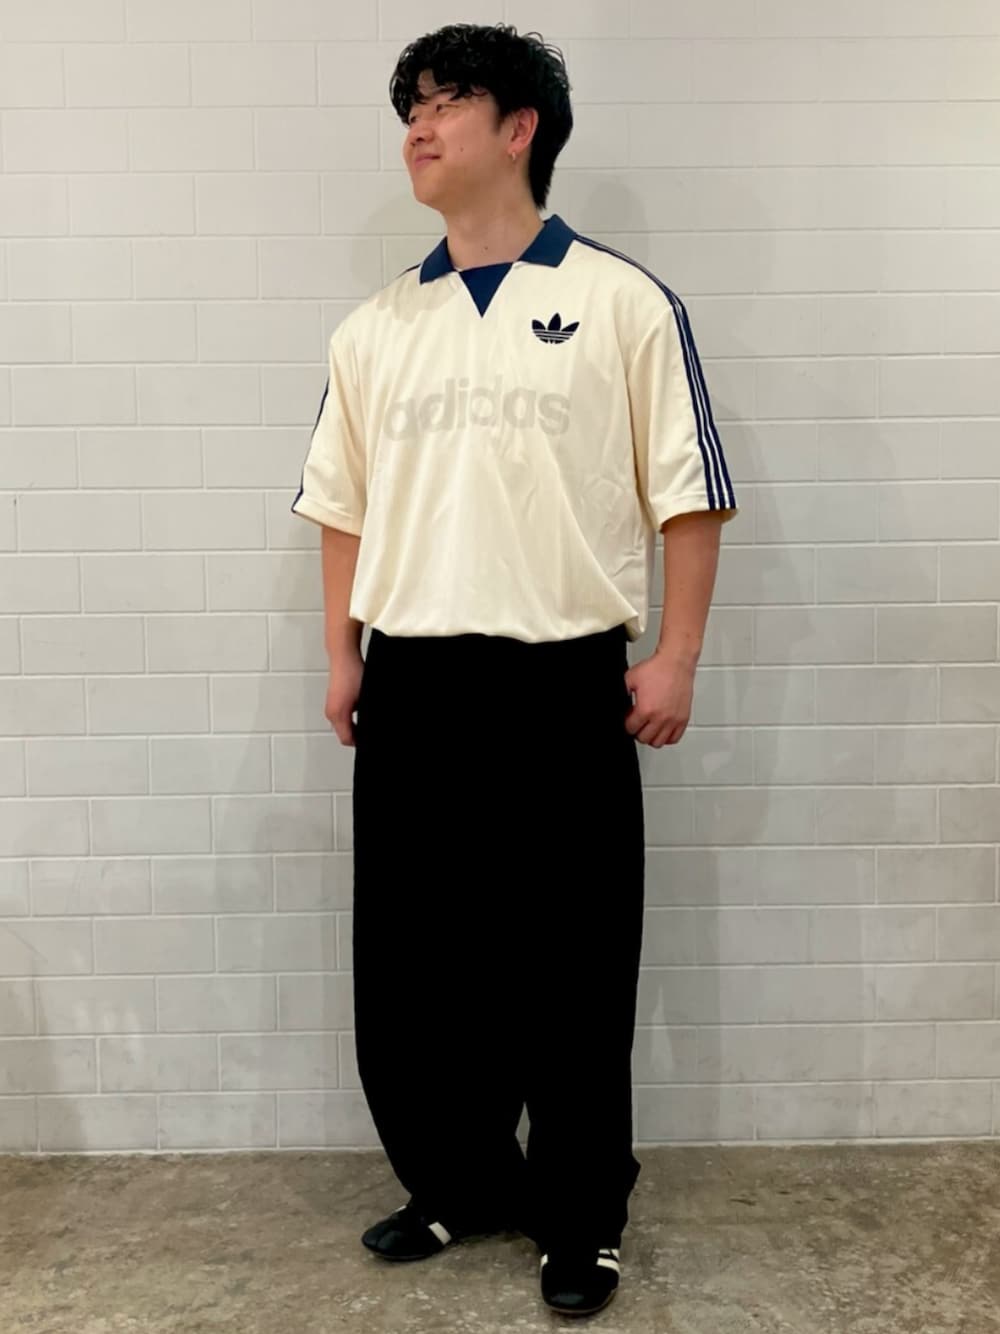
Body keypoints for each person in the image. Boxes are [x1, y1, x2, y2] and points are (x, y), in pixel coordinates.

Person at [290, 21, 738, 1319]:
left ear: (520, 127)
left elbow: (689, 494)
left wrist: (677, 656)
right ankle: (460, 1180)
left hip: (562, 685)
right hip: (415, 684)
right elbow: (341, 505)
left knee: (573, 969)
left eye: (446, 103)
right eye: (410, 110)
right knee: (419, 967)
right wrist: (341, 652)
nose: (418, 129)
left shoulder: (623, 304)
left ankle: (579, 1215)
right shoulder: (379, 326)